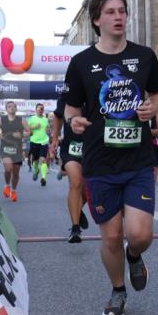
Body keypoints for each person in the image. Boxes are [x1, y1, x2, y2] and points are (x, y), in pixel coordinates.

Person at [63, 0, 158, 315]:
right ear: (97, 20)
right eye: (111, 12)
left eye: (122, 11)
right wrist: (73, 120)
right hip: (99, 161)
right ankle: (118, 290)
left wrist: (153, 107)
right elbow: (71, 108)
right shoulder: (80, 63)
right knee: (110, 236)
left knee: (139, 234)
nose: (119, 17)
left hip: (137, 159)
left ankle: (134, 256)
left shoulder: (144, 56)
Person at [51, 91, 90, 243]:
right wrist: (55, 138)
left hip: (92, 147)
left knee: (87, 191)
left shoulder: (98, 89)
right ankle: (75, 229)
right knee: (76, 182)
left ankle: (77, 210)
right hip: (71, 147)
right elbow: (58, 116)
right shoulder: (68, 94)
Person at [0, 101, 29, 201]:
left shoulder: (22, 120)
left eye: (14, 106)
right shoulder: (1, 119)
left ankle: (13, 191)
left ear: (16, 109)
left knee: (16, 173)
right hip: (5, 149)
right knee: (8, 169)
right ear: (6, 109)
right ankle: (7, 186)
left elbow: (30, 132)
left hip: (17, 149)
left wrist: (21, 135)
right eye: (9, 106)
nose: (12, 108)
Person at [27, 103, 51, 186]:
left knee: (43, 160)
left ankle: (43, 178)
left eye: (42, 109)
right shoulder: (31, 119)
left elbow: (48, 129)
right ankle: (36, 171)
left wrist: (49, 132)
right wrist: (34, 127)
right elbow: (26, 129)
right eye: (39, 108)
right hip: (34, 142)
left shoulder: (45, 119)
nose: (41, 110)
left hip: (44, 142)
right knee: (35, 161)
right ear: (36, 110)